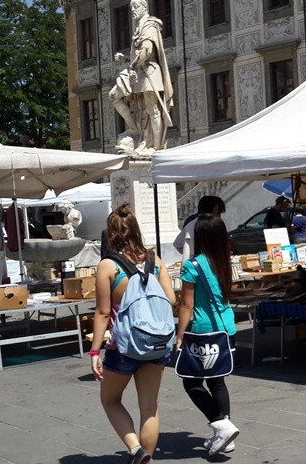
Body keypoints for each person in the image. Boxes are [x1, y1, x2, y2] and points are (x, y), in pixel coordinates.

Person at [90, 205, 176, 464]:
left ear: (111, 234)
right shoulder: (155, 260)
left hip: (124, 346)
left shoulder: (108, 266)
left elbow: (103, 313)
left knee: (110, 399)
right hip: (157, 342)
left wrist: (95, 351)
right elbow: (171, 299)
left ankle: (136, 450)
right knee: (149, 407)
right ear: (136, 230)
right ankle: (145, 457)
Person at [176, 214, 240, 456]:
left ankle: (220, 424)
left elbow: (186, 305)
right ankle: (225, 434)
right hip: (226, 327)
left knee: (191, 382)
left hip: (204, 332)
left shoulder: (192, 266)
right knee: (217, 380)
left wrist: (179, 335)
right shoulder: (223, 261)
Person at [109, 0, 173, 156]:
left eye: (136, 6)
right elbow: (141, 54)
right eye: (131, 7)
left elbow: (147, 51)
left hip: (149, 73)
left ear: (145, 7)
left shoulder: (150, 25)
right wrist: (126, 59)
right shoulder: (140, 27)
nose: (133, 10)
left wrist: (131, 66)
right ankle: (136, 131)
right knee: (115, 96)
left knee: (152, 110)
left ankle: (155, 147)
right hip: (139, 72)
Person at [174, 196, 225, 262]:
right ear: (213, 210)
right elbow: (178, 244)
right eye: (219, 212)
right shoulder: (194, 223)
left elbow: (178, 244)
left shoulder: (192, 222)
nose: (219, 216)